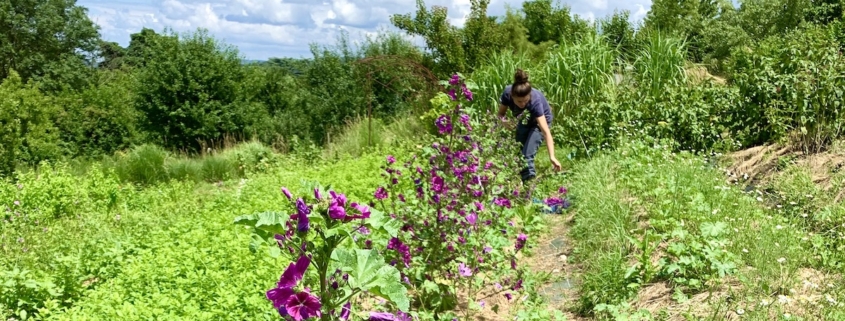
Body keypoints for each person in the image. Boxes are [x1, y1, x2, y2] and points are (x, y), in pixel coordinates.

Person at [497, 69, 561, 183]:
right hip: (524, 120)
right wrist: (503, 121)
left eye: (525, 101)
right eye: (519, 101)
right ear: (512, 96)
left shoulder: (535, 102)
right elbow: (500, 114)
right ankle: (520, 180)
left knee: (527, 156)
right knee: (518, 151)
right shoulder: (507, 94)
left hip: (540, 122)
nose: (523, 104)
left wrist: (552, 156)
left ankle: (529, 185)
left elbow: (546, 132)